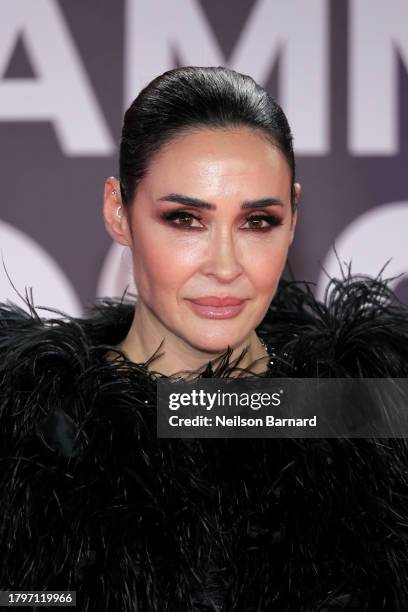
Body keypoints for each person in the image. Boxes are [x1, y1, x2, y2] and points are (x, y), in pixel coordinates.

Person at [1, 66, 408, 611]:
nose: (224, 266)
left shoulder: (370, 425)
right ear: (117, 211)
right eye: (185, 219)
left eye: (257, 222)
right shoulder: (27, 436)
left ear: (293, 218)